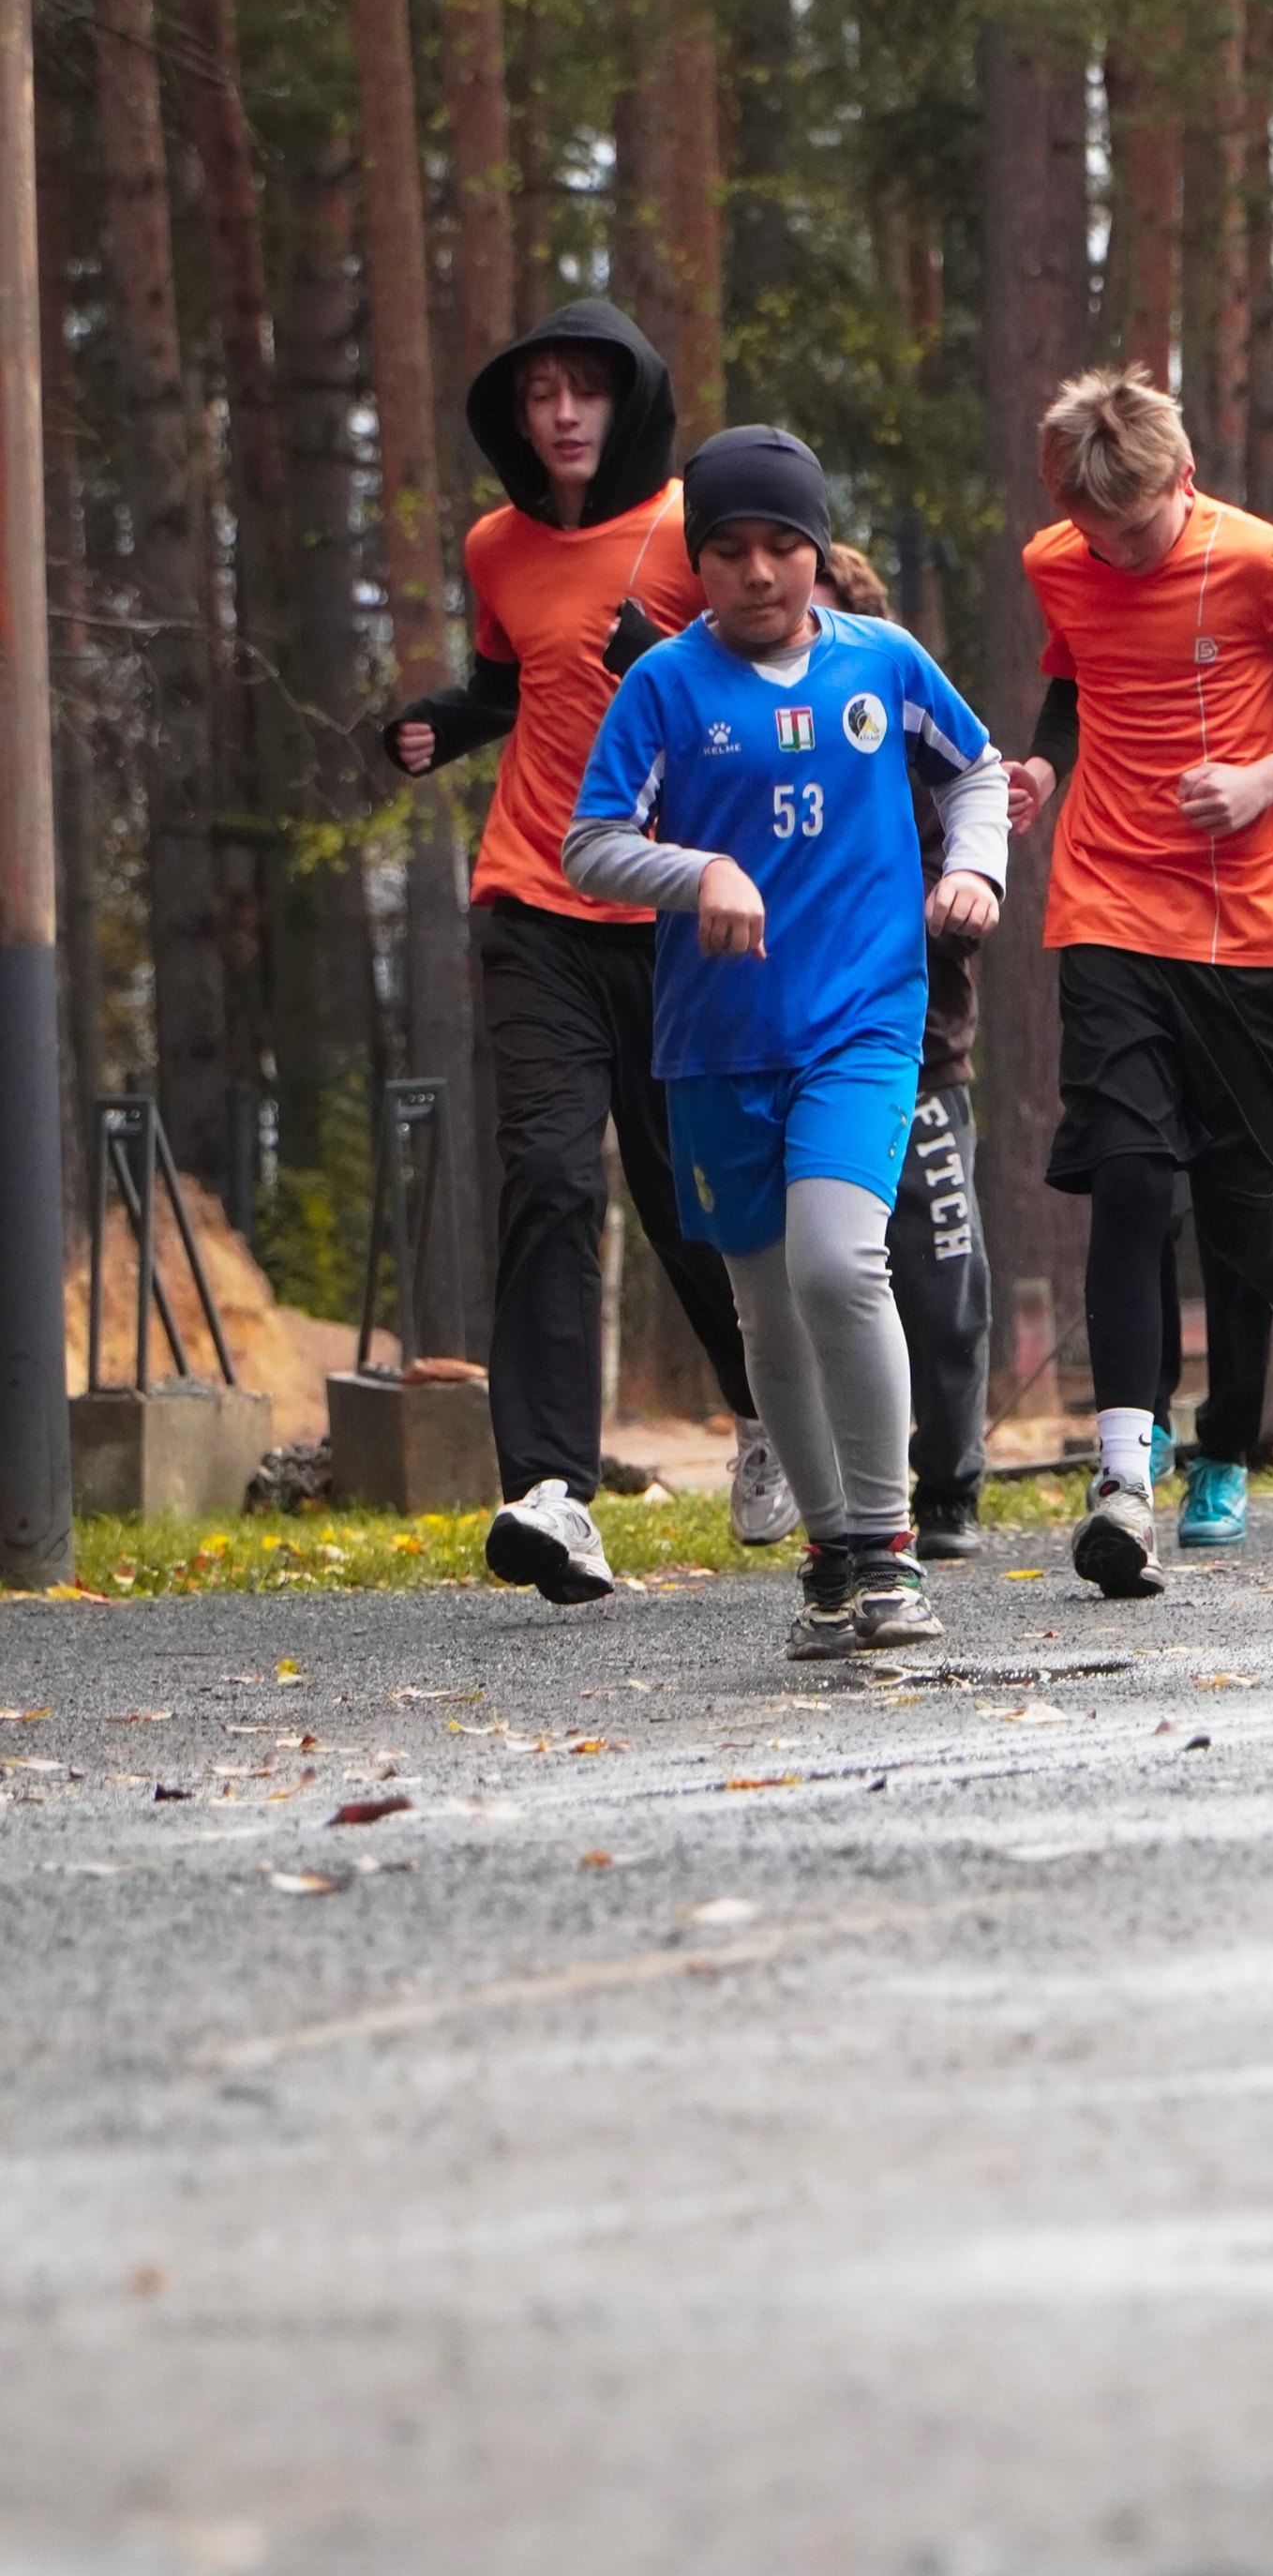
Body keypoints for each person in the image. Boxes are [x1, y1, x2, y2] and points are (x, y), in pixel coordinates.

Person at [563, 428, 1008, 1652]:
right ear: (697, 561)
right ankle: (831, 1555)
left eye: (781, 546)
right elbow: (591, 845)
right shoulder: (664, 686)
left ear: (817, 549)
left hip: (863, 1017)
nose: (757, 572)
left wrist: (974, 870)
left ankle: (889, 1545)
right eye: (728, 550)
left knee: (837, 1266)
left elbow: (976, 772)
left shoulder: (883, 662)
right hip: (717, 1040)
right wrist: (698, 871)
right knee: (767, 1312)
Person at [384, 298, 791, 1605]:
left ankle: (767, 1410)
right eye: (539, 394)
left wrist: (661, 654)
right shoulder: (495, 546)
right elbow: (517, 681)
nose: (561, 414)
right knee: (551, 1175)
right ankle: (552, 1490)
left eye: (586, 390)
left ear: (632, 402)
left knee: (690, 1197)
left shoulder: (689, 529)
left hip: (679, 913)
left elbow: (768, 676)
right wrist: (442, 723)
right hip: (536, 898)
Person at [1005, 367, 1273, 1598]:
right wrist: (1044, 766)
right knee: (1128, 1178)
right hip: (1108, 903)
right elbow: (1074, 678)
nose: (1115, 553)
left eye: (1135, 530)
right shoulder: (1059, 559)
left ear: (1183, 480)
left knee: (1234, 1211)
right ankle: (1125, 1480)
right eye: (1093, 530)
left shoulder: (1260, 562)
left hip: (1242, 929)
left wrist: (1270, 779)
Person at [813, 543, 992, 1559]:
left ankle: (952, 1485)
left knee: (941, 1278)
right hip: (797, 1051)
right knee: (818, 1276)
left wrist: (934, 903)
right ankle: (836, 1492)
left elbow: (970, 857)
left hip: (921, 1051)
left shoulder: (905, 731)